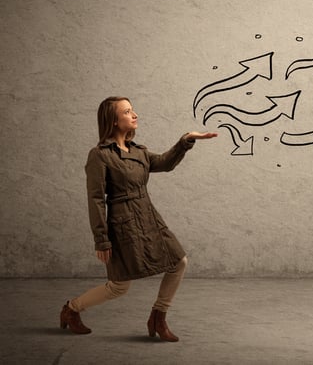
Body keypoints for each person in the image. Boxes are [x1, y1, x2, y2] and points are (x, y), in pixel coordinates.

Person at [60, 96, 217, 341]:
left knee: (179, 262)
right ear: (113, 121)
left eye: (133, 110)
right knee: (119, 287)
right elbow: (96, 199)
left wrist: (186, 140)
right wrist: (101, 239)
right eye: (127, 112)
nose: (135, 115)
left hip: (148, 217)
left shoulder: (139, 152)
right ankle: (71, 309)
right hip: (122, 225)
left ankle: (158, 316)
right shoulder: (99, 155)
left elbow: (165, 163)